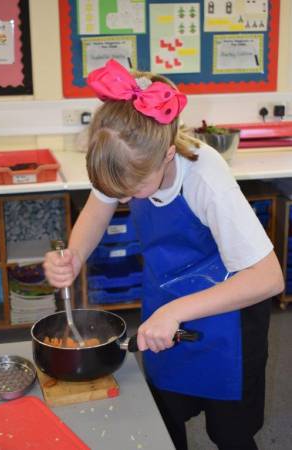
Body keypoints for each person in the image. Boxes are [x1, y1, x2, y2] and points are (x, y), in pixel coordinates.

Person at [44, 59, 284, 450]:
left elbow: (269, 277)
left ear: (168, 155)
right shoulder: (125, 155)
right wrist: (73, 254)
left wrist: (176, 312)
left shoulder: (206, 177)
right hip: (165, 303)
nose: (121, 198)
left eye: (131, 191)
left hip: (229, 315)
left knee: (230, 433)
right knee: (163, 418)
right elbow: (97, 208)